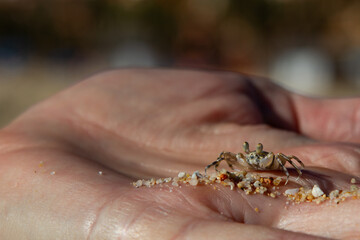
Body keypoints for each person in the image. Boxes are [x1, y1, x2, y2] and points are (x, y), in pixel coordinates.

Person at [0, 69, 359, 239]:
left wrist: (301, 175)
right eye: (251, 153)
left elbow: (291, 161)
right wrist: (214, 170)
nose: (254, 155)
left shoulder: (272, 159)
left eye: (258, 153)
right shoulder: (241, 158)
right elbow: (227, 158)